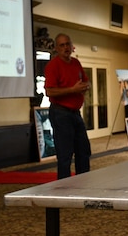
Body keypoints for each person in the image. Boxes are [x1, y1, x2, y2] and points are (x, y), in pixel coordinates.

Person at [44, 33, 91, 179]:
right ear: (57, 48)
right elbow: (49, 91)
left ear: (72, 46)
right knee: (65, 154)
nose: (66, 48)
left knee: (83, 150)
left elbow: (85, 81)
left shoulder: (76, 63)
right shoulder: (53, 65)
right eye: (62, 45)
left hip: (75, 113)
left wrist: (85, 86)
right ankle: (63, 190)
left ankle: (83, 184)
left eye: (67, 44)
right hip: (60, 113)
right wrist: (72, 90)